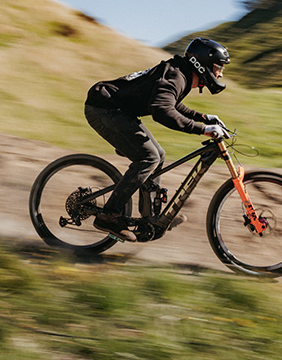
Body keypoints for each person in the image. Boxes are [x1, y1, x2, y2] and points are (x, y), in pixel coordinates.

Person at [84, 37, 230, 241]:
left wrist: (204, 117)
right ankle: (109, 215)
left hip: (118, 110)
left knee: (158, 155)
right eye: (218, 68)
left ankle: (150, 218)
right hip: (104, 108)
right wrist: (203, 129)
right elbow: (162, 111)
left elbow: (171, 103)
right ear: (203, 63)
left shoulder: (181, 74)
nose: (220, 74)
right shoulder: (177, 75)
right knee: (149, 157)